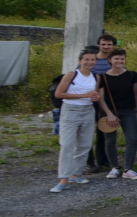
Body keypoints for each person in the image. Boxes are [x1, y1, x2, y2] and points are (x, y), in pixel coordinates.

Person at [50, 50, 101, 193]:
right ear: (80, 61)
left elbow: (94, 94)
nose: (90, 62)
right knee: (67, 145)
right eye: (86, 59)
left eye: (92, 60)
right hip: (70, 110)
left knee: (84, 145)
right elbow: (59, 94)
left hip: (88, 110)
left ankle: (76, 174)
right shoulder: (72, 74)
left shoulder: (96, 77)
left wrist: (95, 97)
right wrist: (84, 95)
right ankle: (63, 179)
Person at [97, 49, 137, 180]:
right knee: (110, 140)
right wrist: (109, 114)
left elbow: (136, 94)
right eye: (116, 58)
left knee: (132, 139)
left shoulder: (132, 75)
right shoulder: (103, 77)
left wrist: (136, 110)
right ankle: (114, 167)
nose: (119, 61)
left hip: (128, 111)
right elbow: (101, 98)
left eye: (122, 59)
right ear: (110, 60)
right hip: (108, 112)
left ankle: (128, 168)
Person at [84, 34, 117, 174]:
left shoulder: (114, 60)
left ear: (113, 46)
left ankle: (103, 159)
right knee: (86, 131)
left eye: (109, 44)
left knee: (104, 130)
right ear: (99, 45)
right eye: (103, 44)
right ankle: (88, 162)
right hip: (89, 101)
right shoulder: (91, 60)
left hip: (108, 101)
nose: (106, 47)